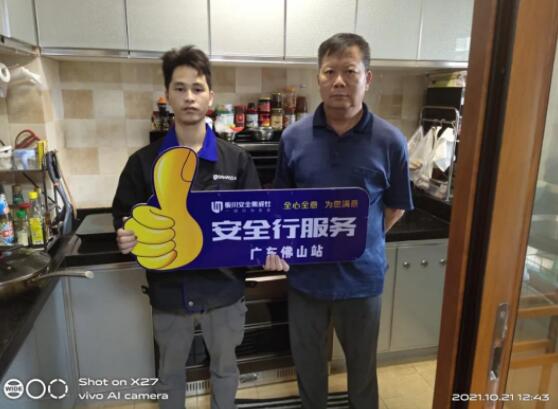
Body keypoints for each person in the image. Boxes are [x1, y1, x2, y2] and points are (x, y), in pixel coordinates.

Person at [266, 33, 414, 409]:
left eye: (350, 71)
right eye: (329, 71)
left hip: (362, 280)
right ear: (318, 77)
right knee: (309, 369)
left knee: (362, 372)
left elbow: (395, 207)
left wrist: (359, 239)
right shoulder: (293, 138)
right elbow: (282, 205)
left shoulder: (391, 141)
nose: (338, 82)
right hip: (306, 278)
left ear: (368, 78)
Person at [112, 45, 261, 409]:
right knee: (170, 374)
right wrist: (125, 237)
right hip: (169, 292)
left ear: (211, 96)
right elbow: (125, 216)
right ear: (167, 95)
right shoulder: (143, 163)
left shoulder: (236, 160)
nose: (189, 97)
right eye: (180, 88)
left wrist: (267, 250)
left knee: (225, 370)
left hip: (224, 292)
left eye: (197, 88)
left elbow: (257, 222)